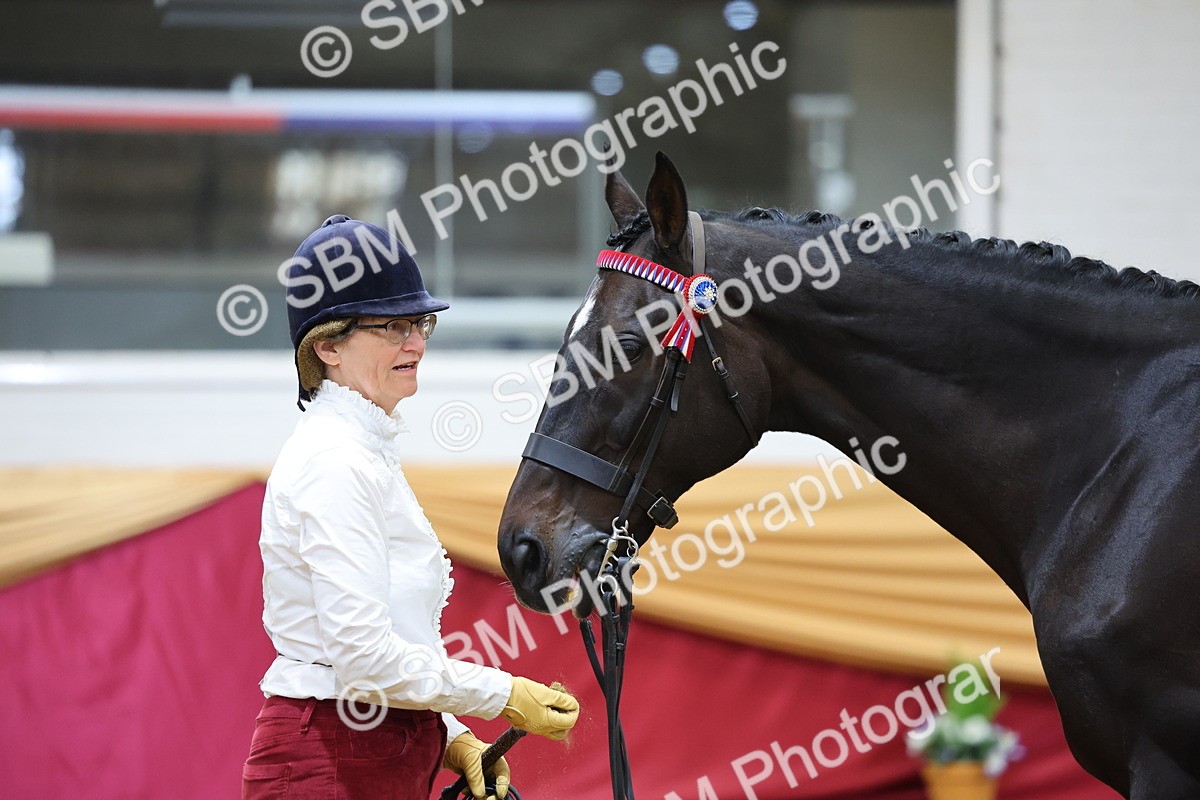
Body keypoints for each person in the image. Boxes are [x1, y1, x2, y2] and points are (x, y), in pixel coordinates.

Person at [242, 215, 579, 800]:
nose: (417, 343)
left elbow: (390, 638)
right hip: (329, 763)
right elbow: (362, 658)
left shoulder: (365, 450)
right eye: (393, 326)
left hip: (370, 754)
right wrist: (503, 695)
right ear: (326, 345)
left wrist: (450, 735)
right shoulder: (336, 460)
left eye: (420, 323)